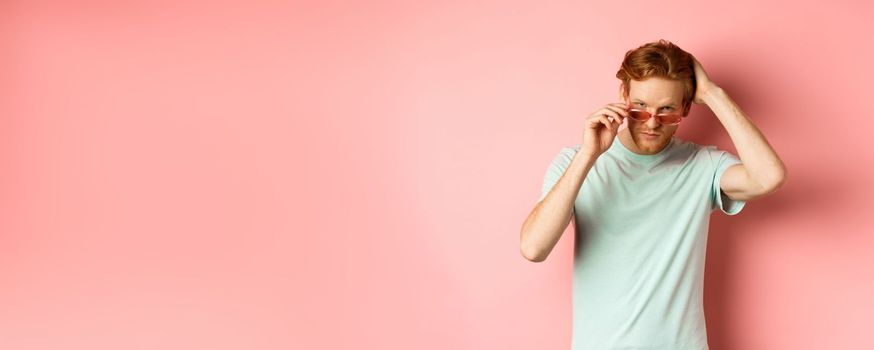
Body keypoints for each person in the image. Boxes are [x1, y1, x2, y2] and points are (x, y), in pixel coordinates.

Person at [519, 39, 787, 349]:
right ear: (624, 96)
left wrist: (713, 94)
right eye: (640, 108)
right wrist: (589, 156)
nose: (651, 123)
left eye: (667, 111)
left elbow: (770, 177)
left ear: (686, 107)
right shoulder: (574, 162)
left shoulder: (703, 166)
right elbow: (534, 248)